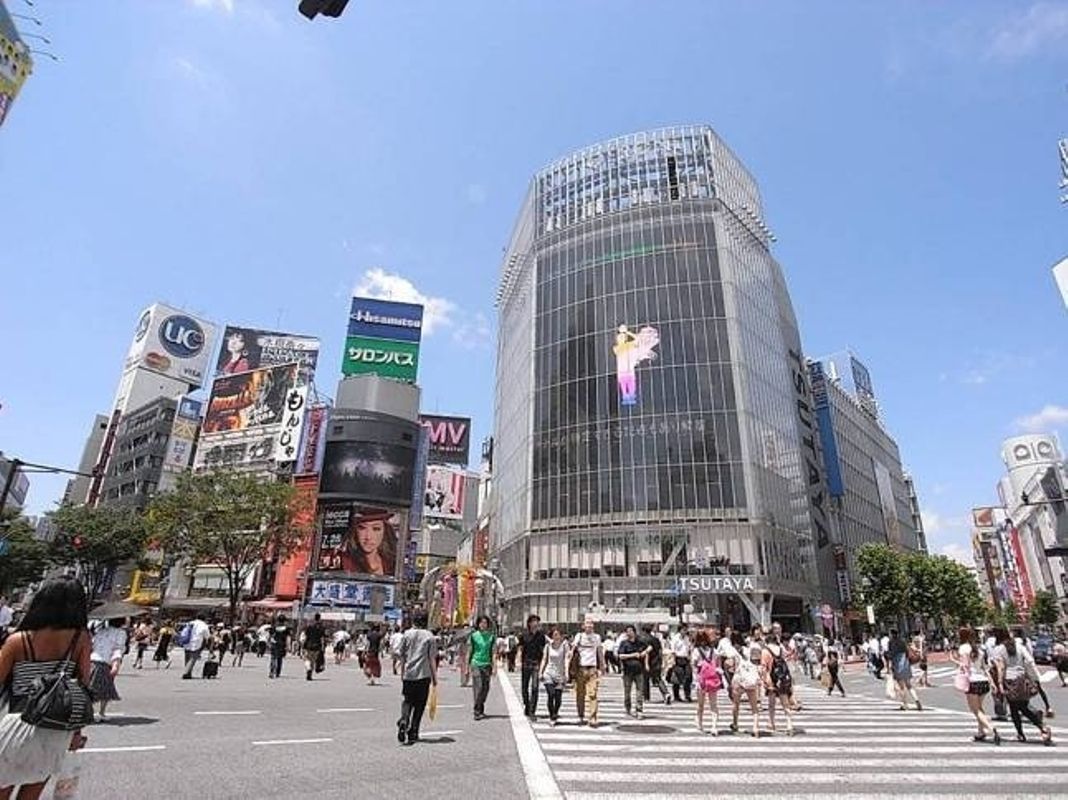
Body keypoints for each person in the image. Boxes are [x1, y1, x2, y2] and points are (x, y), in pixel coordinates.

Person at [0, 578, 92, 800]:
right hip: (56, 727)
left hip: (17, 723)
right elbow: (83, 689)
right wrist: (76, 733)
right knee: (31, 793)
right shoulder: (80, 639)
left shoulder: (19, 640)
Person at [994, 628, 1052, 744]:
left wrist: (999, 683)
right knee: (1020, 706)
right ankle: (1023, 732)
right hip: (1021, 679)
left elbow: (1000, 668)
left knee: (1017, 708)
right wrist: (1034, 677)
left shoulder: (999, 649)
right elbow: (1030, 661)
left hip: (1009, 681)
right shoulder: (1019, 646)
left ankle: (1040, 727)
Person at [951, 627, 1001, 745]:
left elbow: (965, 666)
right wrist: (992, 683)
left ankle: (991, 729)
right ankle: (980, 732)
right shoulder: (979, 648)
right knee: (980, 708)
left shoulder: (964, 648)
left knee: (975, 710)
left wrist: (954, 660)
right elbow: (984, 667)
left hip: (972, 681)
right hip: (983, 681)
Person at [397, 615, 438, 746]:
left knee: (407, 700)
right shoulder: (429, 636)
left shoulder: (407, 634)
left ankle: (404, 719)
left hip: (409, 674)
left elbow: (402, 655)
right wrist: (434, 677)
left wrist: (402, 671)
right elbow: (432, 658)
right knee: (420, 705)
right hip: (423, 674)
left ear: (414, 622)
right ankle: (413, 731)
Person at [89, 617, 127, 720]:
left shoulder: (100, 630)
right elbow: (118, 649)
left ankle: (89, 711)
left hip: (92, 661)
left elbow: (92, 644)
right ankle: (101, 712)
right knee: (105, 690)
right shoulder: (121, 633)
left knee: (90, 688)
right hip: (104, 663)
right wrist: (116, 665)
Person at [761, 633, 795, 735]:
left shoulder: (765, 651)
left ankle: (772, 723)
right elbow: (787, 657)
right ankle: (789, 724)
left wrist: (765, 680)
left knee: (772, 704)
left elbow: (764, 667)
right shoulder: (780, 649)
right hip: (782, 678)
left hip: (771, 678)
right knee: (785, 703)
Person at [731, 633, 764, 738]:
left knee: (736, 704)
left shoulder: (732, 652)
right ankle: (755, 728)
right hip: (750, 679)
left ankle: (735, 723)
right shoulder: (749, 650)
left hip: (738, 680)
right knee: (754, 707)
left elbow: (731, 666)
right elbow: (757, 662)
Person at [573, 619, 604, 727]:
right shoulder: (579, 636)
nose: (589, 625)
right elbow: (573, 650)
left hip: (592, 668)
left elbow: (599, 652)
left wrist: (602, 667)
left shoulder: (597, 637)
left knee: (593, 694)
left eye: (591, 623)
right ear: (583, 626)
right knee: (580, 694)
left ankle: (593, 718)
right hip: (581, 669)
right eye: (587, 623)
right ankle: (581, 716)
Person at [349, 511, 398, 576]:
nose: (368, 537)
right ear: (355, 531)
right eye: (362, 528)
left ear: (385, 531)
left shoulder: (391, 562)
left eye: (376, 529)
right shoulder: (347, 561)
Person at [518, 615, 548, 720]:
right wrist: (518, 661)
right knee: (524, 688)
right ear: (529, 623)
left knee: (535, 688)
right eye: (534, 621)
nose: (536, 624)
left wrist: (544, 664)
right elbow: (520, 649)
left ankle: (532, 711)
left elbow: (544, 650)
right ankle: (527, 705)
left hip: (536, 664)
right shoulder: (524, 635)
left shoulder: (541, 636)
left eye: (537, 622)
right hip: (526, 663)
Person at [616, 625, 649, 720]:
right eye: (627, 631)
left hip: (639, 671)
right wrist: (633, 655)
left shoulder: (640, 643)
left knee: (640, 691)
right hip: (627, 671)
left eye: (631, 631)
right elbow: (620, 656)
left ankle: (639, 710)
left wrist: (645, 654)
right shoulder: (624, 643)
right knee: (627, 692)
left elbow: (649, 648)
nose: (629, 633)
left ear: (634, 632)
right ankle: (628, 708)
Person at [539, 627, 571, 726]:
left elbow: (566, 659)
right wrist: (541, 672)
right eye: (554, 635)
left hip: (560, 674)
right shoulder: (548, 646)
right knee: (551, 694)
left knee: (558, 697)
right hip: (549, 673)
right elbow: (544, 659)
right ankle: (551, 716)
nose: (556, 637)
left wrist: (566, 673)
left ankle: (555, 713)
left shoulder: (565, 646)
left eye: (558, 634)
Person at [694, 630, 723, 735]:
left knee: (700, 704)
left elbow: (694, 666)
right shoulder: (714, 651)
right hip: (712, 679)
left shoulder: (696, 651)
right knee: (713, 704)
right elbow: (719, 665)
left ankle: (700, 723)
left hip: (701, 680)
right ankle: (714, 726)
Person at [886, 629, 922, 711]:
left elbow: (891, 655)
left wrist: (888, 662)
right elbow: (907, 652)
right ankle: (917, 700)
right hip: (906, 664)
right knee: (909, 685)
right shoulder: (902, 642)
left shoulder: (891, 643)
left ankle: (904, 704)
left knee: (901, 687)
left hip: (898, 665)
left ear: (892, 634)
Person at [469, 616, 496, 720]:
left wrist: (494, 667)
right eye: (481, 623)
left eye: (485, 623)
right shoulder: (474, 636)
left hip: (487, 664)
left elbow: (493, 652)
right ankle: (476, 711)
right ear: (478, 624)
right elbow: (470, 651)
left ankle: (480, 706)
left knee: (485, 688)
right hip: (476, 663)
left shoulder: (491, 637)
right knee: (478, 687)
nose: (483, 625)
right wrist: (467, 667)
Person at [640, 625, 671, 705]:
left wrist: (645, 663)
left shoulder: (642, 639)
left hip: (647, 662)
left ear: (643, 631)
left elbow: (646, 652)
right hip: (656, 662)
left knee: (645, 679)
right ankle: (666, 693)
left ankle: (646, 697)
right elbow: (660, 651)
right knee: (658, 679)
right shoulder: (656, 639)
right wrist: (661, 662)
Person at [181, 614, 212, 680]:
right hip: (196, 643)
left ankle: (189, 672)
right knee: (192, 658)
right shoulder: (204, 625)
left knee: (187, 658)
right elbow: (207, 636)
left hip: (187, 642)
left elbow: (184, 631)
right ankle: (186, 673)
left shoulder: (190, 623)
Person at [669, 625, 694, 703]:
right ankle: (676, 696)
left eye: (685, 630)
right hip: (678, 659)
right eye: (683, 630)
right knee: (677, 678)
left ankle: (687, 695)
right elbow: (673, 650)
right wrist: (673, 661)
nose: (685, 631)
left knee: (688, 677)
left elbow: (689, 648)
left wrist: (690, 657)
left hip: (686, 659)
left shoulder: (687, 638)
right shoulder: (675, 638)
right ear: (680, 630)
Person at [302, 613, 326, 682]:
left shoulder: (309, 626)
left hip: (308, 645)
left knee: (307, 659)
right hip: (317, 646)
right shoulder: (321, 627)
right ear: (319, 618)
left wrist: (303, 645)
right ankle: (310, 674)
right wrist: (323, 647)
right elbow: (322, 638)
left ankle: (308, 669)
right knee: (313, 660)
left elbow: (305, 636)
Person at [268, 615, 291, 679]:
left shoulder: (274, 627)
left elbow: (270, 636)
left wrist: (269, 643)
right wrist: (288, 646)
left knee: (273, 658)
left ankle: (272, 671)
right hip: (282, 645)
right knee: (279, 659)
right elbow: (288, 638)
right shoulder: (286, 629)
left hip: (274, 644)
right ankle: (277, 672)